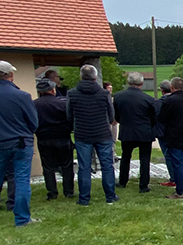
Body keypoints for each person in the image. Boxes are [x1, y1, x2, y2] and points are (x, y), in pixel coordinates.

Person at [0, 61, 39, 226]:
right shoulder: (22, 96)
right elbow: (33, 122)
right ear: (11, 75)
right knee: (21, 179)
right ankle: (22, 218)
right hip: (21, 141)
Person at [67, 64, 118, 206]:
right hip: (102, 133)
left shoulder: (72, 94)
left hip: (82, 134)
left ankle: (84, 199)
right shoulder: (104, 94)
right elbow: (110, 114)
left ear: (81, 77)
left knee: (84, 167)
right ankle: (110, 196)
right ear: (95, 77)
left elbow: (69, 115)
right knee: (107, 165)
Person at [113, 71, 157, 193]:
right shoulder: (148, 99)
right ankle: (143, 185)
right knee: (145, 159)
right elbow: (154, 118)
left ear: (128, 82)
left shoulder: (118, 97)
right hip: (144, 131)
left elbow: (116, 115)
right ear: (142, 83)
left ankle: (122, 181)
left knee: (126, 157)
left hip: (127, 130)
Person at [33, 78, 75, 200]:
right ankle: (69, 191)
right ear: (52, 90)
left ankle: (52, 192)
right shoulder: (63, 103)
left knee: (48, 167)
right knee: (67, 166)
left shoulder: (34, 104)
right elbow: (70, 119)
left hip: (43, 138)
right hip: (62, 137)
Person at [155, 80, 177, 187]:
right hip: (176, 131)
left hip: (163, 132)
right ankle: (181, 175)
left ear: (162, 91)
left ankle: (173, 178)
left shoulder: (158, 103)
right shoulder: (177, 101)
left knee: (168, 155)